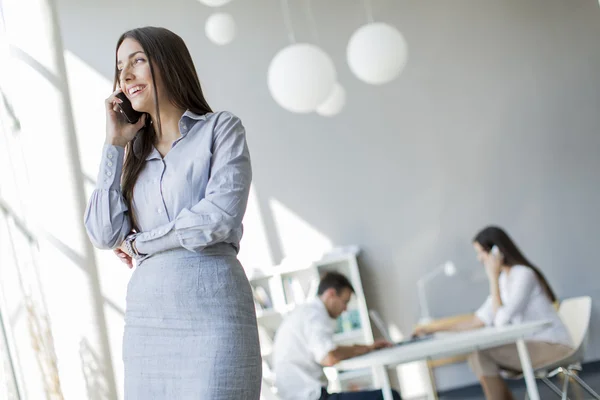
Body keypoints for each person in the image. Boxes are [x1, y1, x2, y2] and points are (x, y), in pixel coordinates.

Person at [83, 27, 261, 399]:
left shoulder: (220, 129)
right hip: (149, 319)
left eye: (138, 61)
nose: (126, 75)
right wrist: (114, 145)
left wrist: (140, 243)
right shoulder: (130, 157)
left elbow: (219, 218)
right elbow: (103, 233)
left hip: (215, 308)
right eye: (120, 68)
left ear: (169, 63)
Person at [413, 226, 574, 400]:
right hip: (530, 345)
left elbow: (501, 321)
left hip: (553, 345)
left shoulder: (523, 275)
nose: (479, 258)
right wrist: (431, 328)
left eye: (481, 252)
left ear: (497, 252)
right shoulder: (504, 279)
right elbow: (477, 320)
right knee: (477, 354)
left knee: (481, 355)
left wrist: (492, 278)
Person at [272, 272, 402, 400]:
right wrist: (367, 348)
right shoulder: (314, 315)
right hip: (310, 397)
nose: (345, 309)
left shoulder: (305, 312)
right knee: (389, 396)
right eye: (345, 302)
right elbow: (329, 356)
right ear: (331, 294)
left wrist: (367, 348)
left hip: (299, 395)